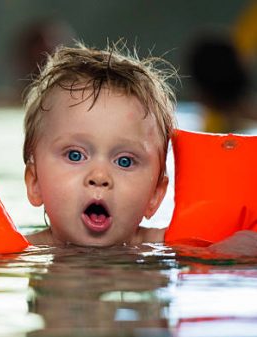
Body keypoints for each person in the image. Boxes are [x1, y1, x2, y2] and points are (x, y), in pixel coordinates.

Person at [21, 42, 257, 255]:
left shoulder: (176, 248)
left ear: (155, 196)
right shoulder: (15, 253)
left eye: (125, 161)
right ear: (35, 183)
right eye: (75, 155)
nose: (100, 177)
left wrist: (228, 253)